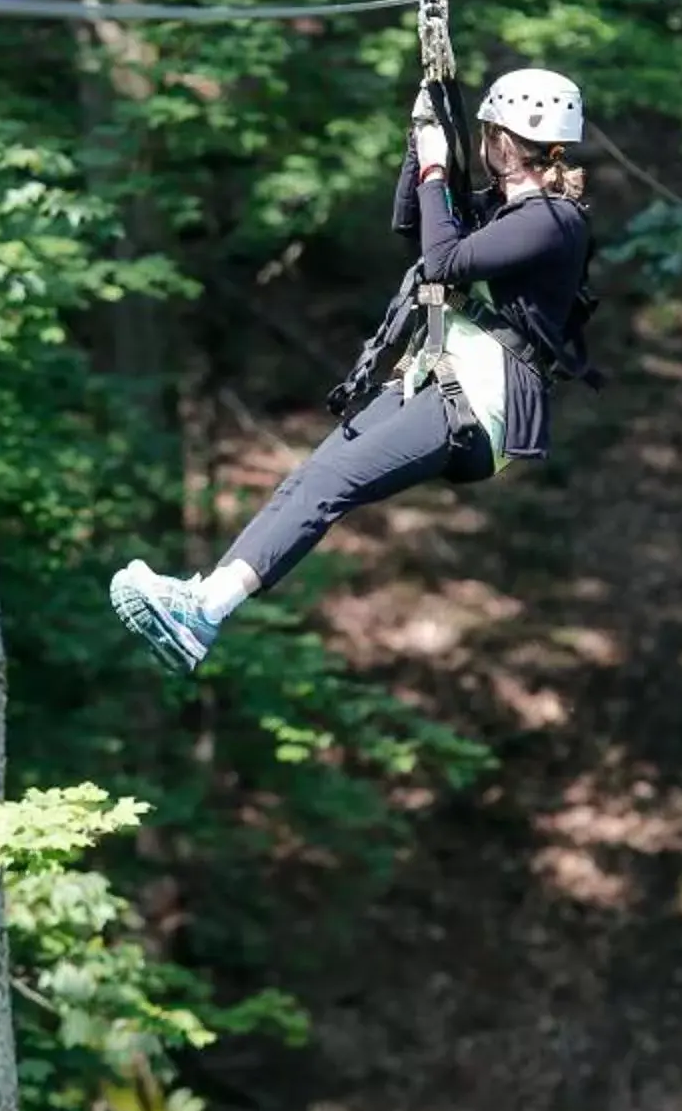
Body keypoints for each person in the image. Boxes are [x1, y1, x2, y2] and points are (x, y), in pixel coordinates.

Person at [110, 66, 595, 673]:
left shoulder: (554, 221)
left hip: (481, 401)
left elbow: (442, 260)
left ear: (500, 140)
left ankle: (202, 614)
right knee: (314, 475)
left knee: (332, 480)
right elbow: (415, 225)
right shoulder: (501, 210)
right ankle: (203, 606)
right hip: (443, 381)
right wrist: (422, 137)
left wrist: (440, 168)